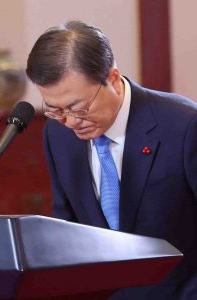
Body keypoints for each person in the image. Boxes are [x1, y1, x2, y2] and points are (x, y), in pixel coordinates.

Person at [26, 20, 197, 300]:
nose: (70, 121)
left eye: (78, 107)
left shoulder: (185, 126)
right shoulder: (57, 135)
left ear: (113, 80)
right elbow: (68, 232)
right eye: (55, 109)